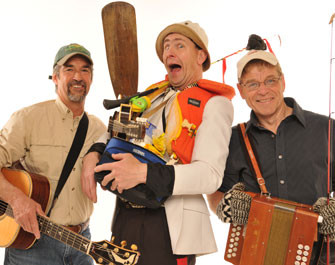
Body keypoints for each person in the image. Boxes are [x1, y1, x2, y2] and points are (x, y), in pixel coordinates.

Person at [81, 21, 235, 265]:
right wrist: (94, 152)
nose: (169, 52)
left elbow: (210, 175)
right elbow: (116, 130)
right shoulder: (150, 96)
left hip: (169, 231)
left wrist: (143, 172)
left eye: (179, 45)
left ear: (201, 56)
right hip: (124, 219)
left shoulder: (216, 105)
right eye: (166, 46)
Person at [207, 34, 335, 265]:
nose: (263, 91)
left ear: (282, 82)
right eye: (253, 84)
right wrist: (223, 206)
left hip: (324, 258)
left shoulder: (327, 128)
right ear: (241, 90)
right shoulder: (232, 139)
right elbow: (215, 193)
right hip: (258, 256)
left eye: (270, 81)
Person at [0, 43, 106, 265]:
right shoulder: (27, 119)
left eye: (85, 70)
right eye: (69, 69)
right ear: (55, 77)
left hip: (81, 242)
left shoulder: (99, 130)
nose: (78, 76)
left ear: (91, 79)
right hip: (32, 245)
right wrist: (17, 199)